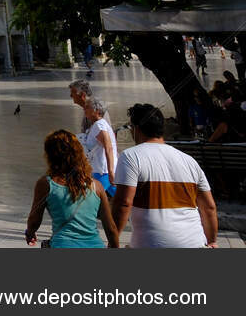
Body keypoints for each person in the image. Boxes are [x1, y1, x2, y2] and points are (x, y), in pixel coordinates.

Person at [111, 103, 218, 248]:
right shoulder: (189, 161)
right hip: (195, 243)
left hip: (151, 244)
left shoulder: (130, 156)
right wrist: (211, 241)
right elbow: (209, 207)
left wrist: (112, 242)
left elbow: (124, 203)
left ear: (136, 129)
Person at [25, 129, 120, 248]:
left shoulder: (46, 184)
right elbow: (111, 228)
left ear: (50, 156)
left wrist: (30, 233)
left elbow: (34, 220)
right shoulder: (96, 186)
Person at [78, 94, 118, 192]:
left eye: (87, 107)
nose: (84, 109)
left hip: (102, 173)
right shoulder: (98, 124)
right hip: (102, 171)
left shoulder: (99, 125)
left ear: (97, 111)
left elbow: (108, 148)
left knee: (90, 201)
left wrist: (111, 172)